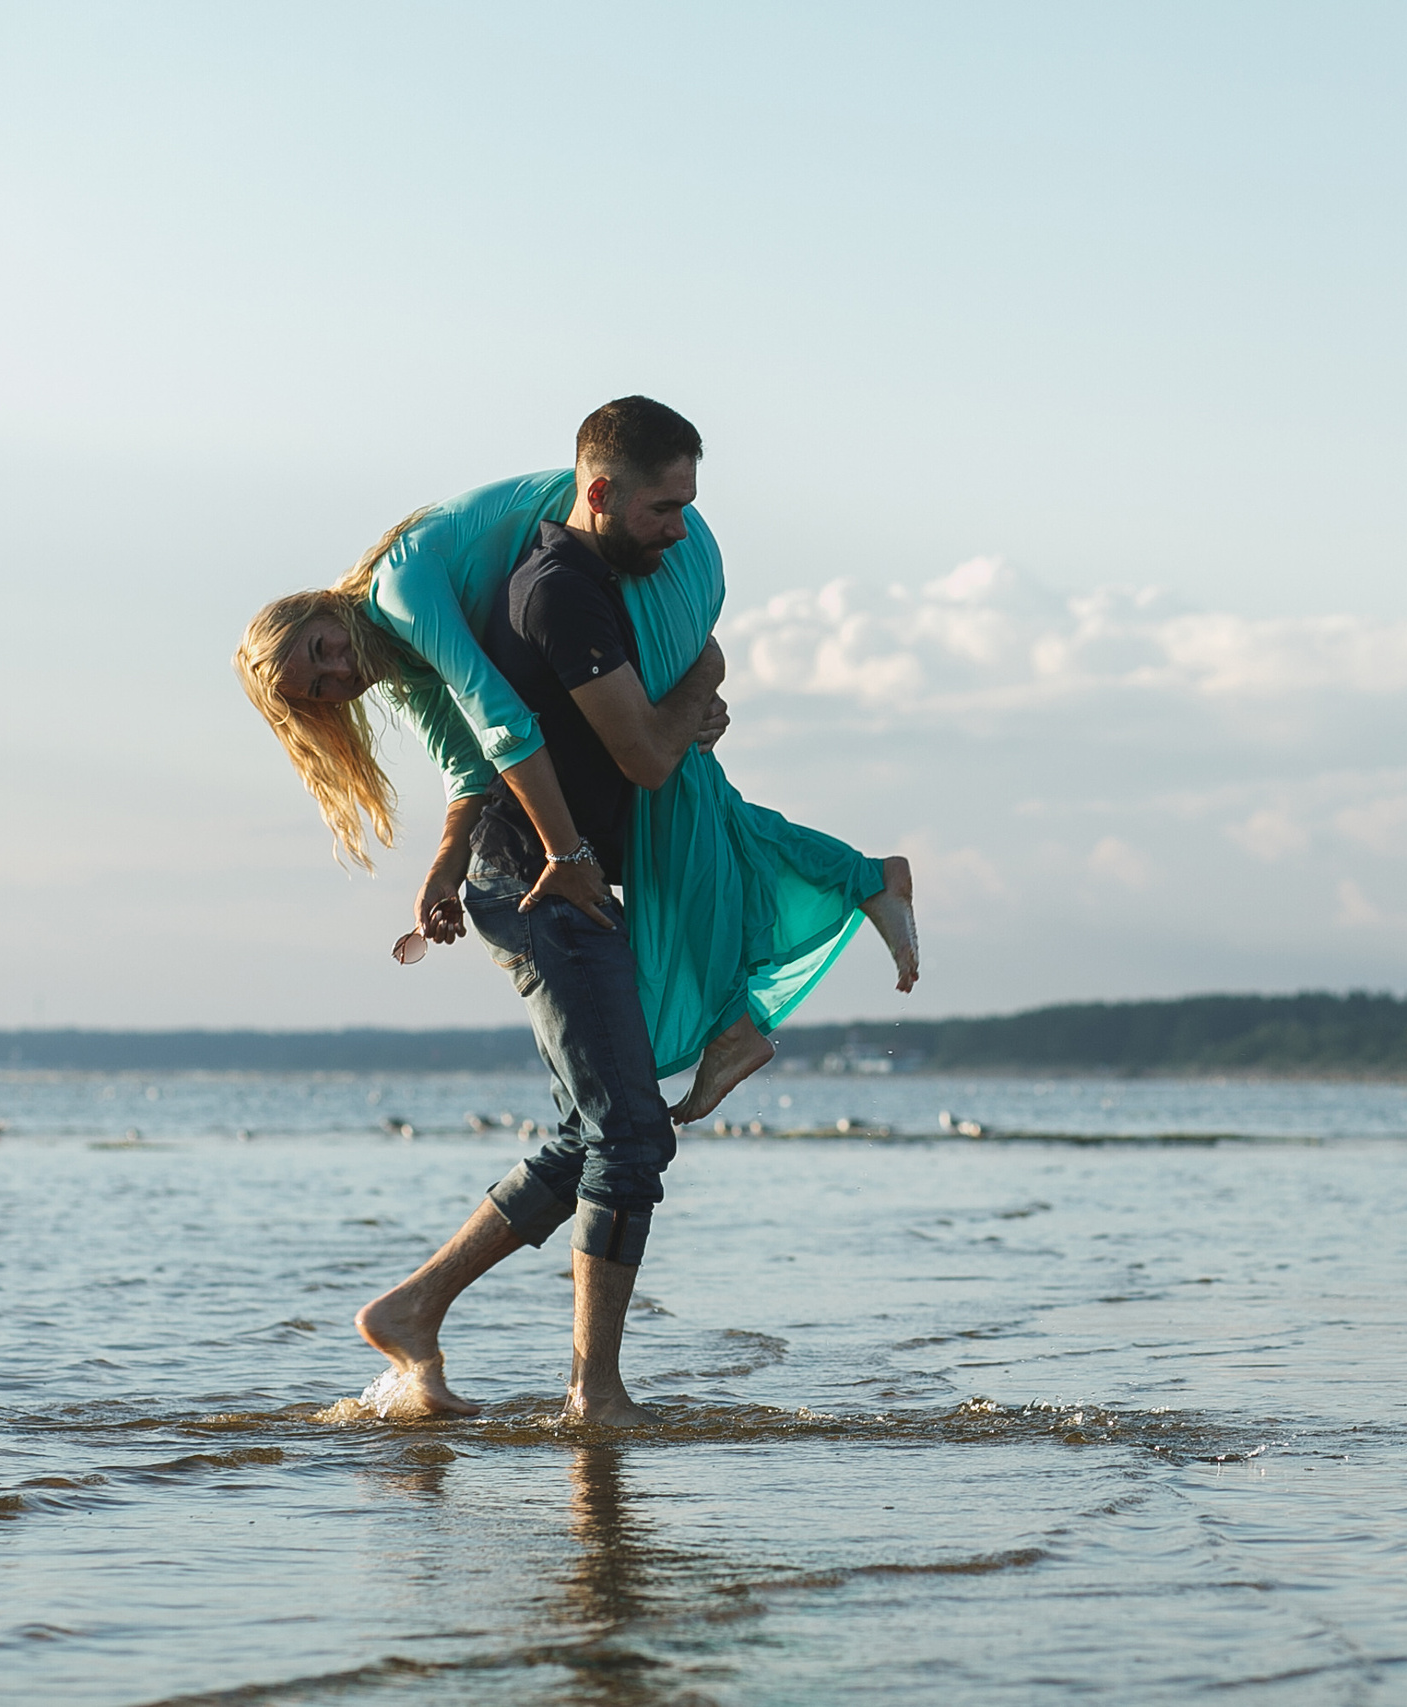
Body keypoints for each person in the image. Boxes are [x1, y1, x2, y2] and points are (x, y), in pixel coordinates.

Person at [234, 398, 916, 1421]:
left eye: (323, 651)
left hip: (548, 869)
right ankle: (594, 1395)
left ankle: (414, 1308)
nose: (337, 676)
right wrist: (480, 861)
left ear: (325, 608)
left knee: (595, 1130)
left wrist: (603, 800)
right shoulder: (417, 655)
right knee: (629, 1133)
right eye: (319, 689)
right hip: (533, 882)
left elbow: (496, 730)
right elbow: (479, 755)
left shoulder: (404, 592)